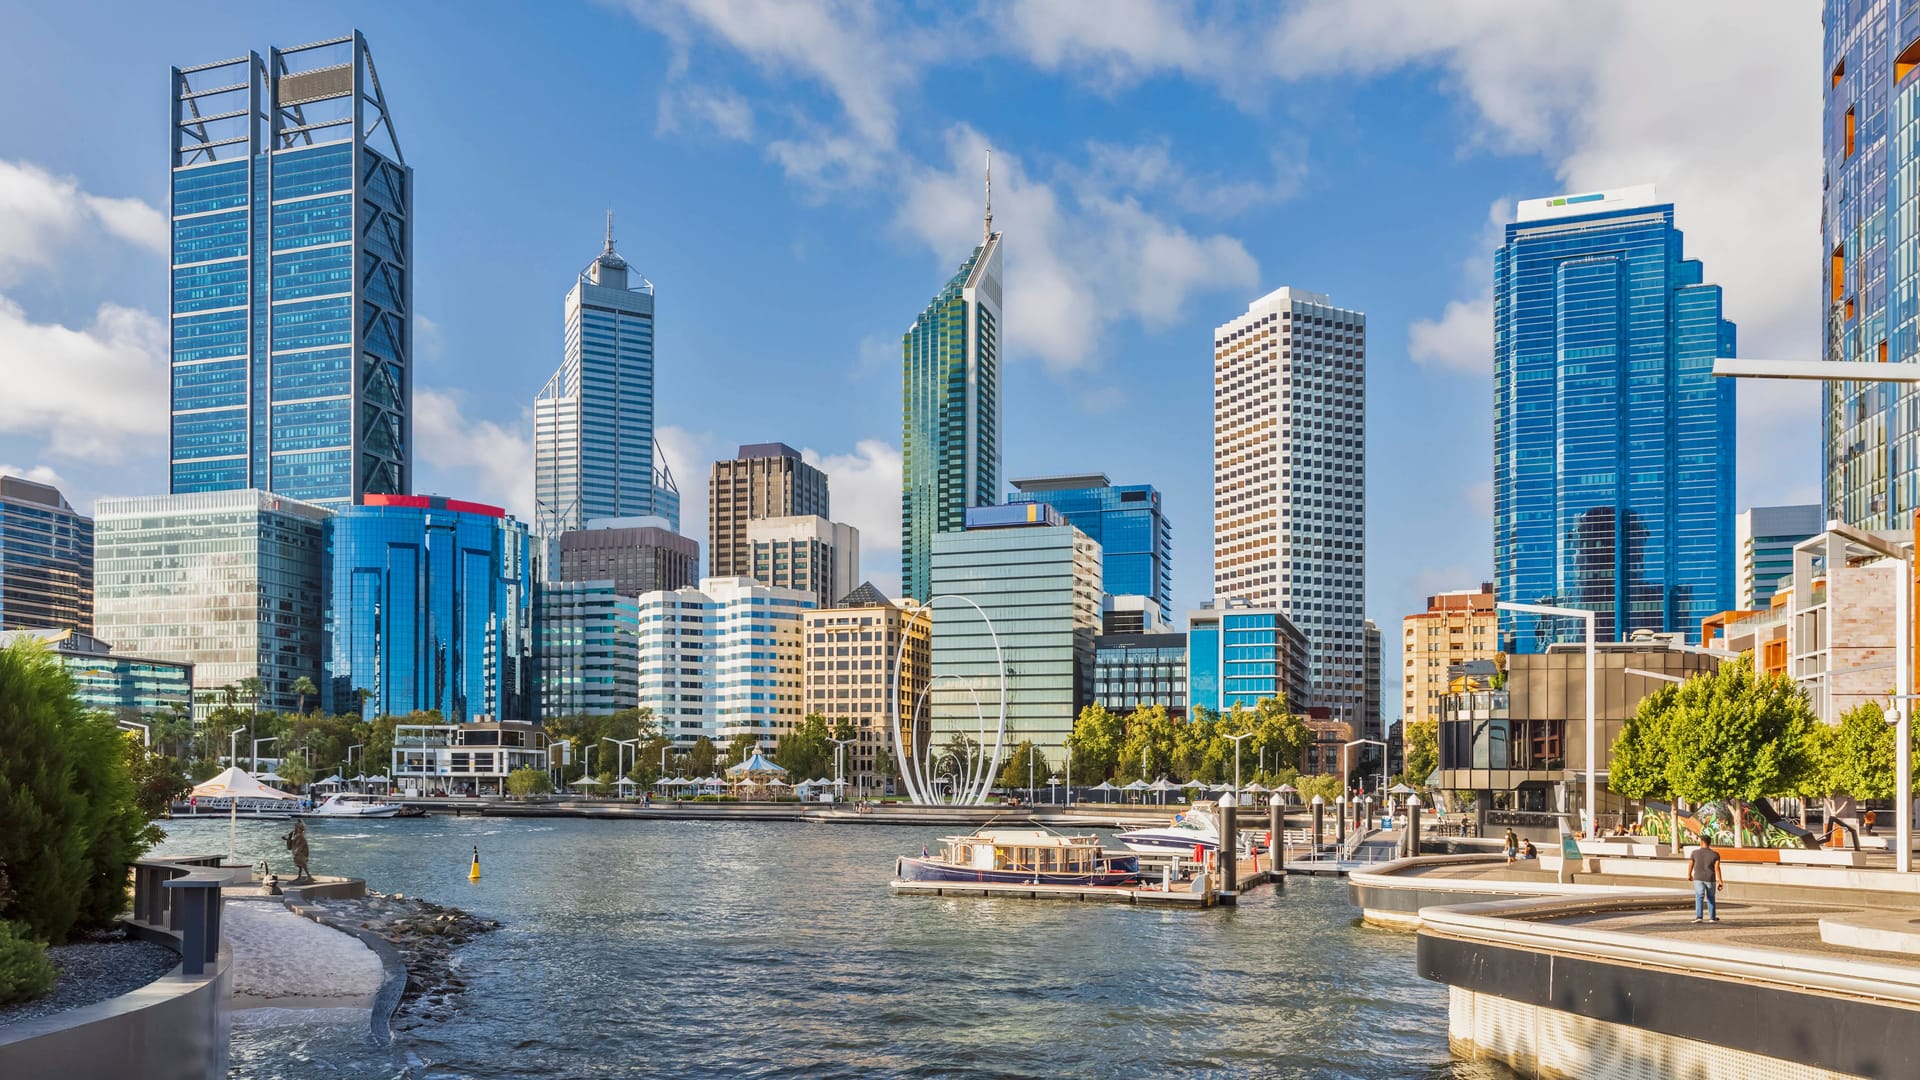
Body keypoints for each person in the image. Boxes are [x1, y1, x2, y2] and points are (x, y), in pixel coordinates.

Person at [1689, 836, 1723, 923]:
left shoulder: (1694, 853)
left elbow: (1691, 864)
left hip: (1698, 878)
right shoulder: (1715, 854)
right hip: (1710, 878)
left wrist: (1689, 874)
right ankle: (1712, 917)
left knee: (1699, 896)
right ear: (1709, 843)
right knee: (1711, 897)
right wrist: (1720, 881)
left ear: (1701, 842)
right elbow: (1717, 868)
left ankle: (1699, 917)